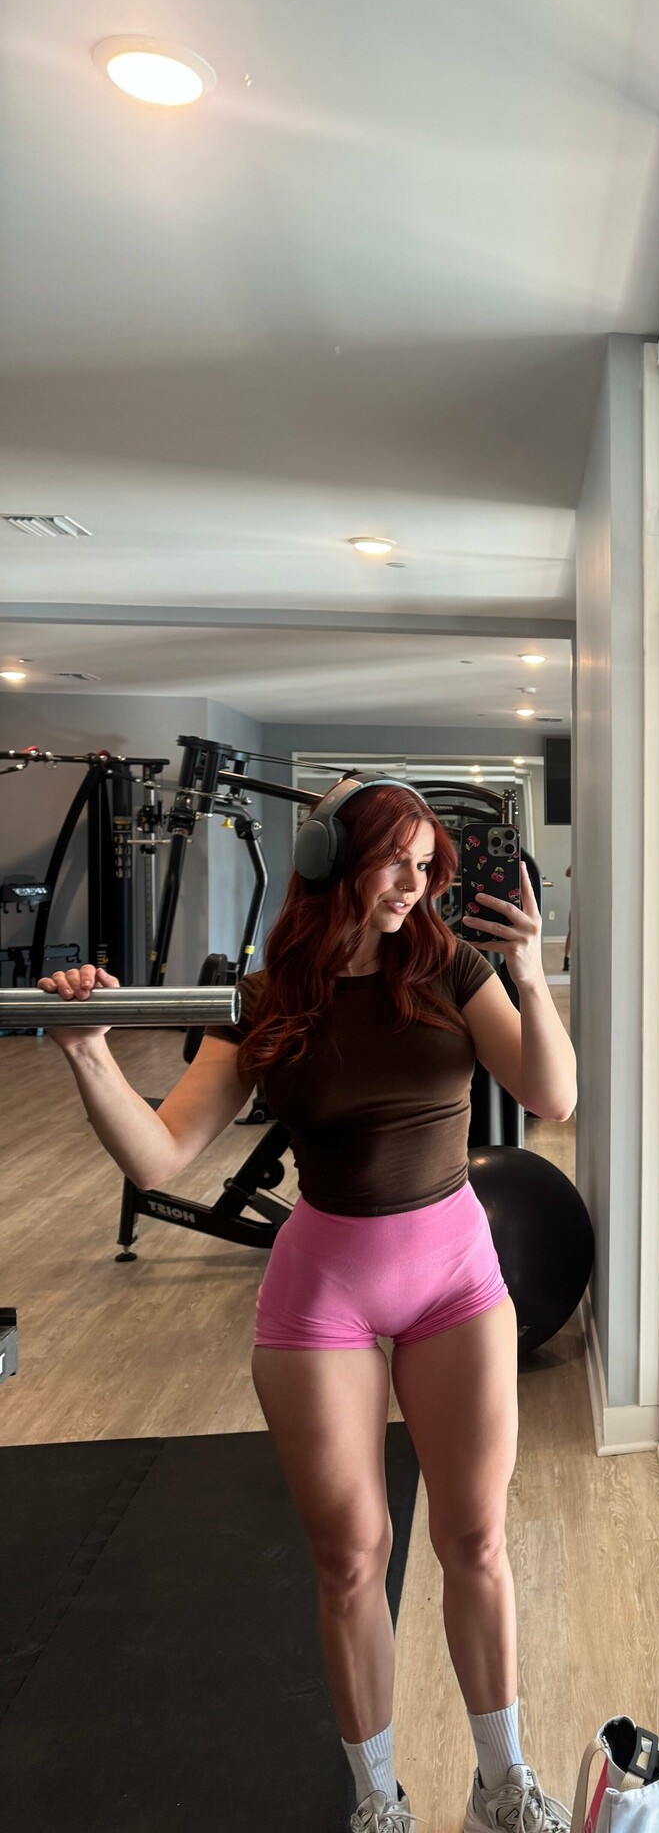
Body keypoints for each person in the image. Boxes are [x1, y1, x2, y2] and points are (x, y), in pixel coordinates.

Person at [39, 779, 577, 1833]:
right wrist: (88, 1052)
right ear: (330, 858)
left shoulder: (451, 967)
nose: (414, 885)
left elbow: (550, 1095)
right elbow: (159, 1156)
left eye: (427, 866)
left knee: (475, 1541)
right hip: (325, 1292)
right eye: (395, 862)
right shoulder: (267, 997)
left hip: (457, 1280)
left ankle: (502, 1781)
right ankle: (377, 1798)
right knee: (351, 1557)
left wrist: (528, 971)